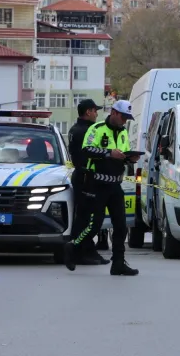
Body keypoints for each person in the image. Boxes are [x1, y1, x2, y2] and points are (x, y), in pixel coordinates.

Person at [63, 100, 141, 276]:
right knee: (94, 225)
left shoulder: (123, 132)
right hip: (97, 184)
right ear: (113, 113)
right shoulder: (96, 129)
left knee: (120, 226)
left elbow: (122, 153)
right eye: (122, 117)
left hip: (115, 184)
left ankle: (118, 263)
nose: (124, 121)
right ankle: (73, 247)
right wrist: (108, 153)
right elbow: (87, 150)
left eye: (127, 118)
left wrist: (130, 158)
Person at [67, 98, 108, 266]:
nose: (97, 113)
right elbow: (92, 154)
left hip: (82, 175)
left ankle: (87, 249)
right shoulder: (86, 131)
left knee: (86, 216)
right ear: (88, 112)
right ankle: (81, 251)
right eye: (94, 110)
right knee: (87, 217)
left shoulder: (75, 129)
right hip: (87, 177)